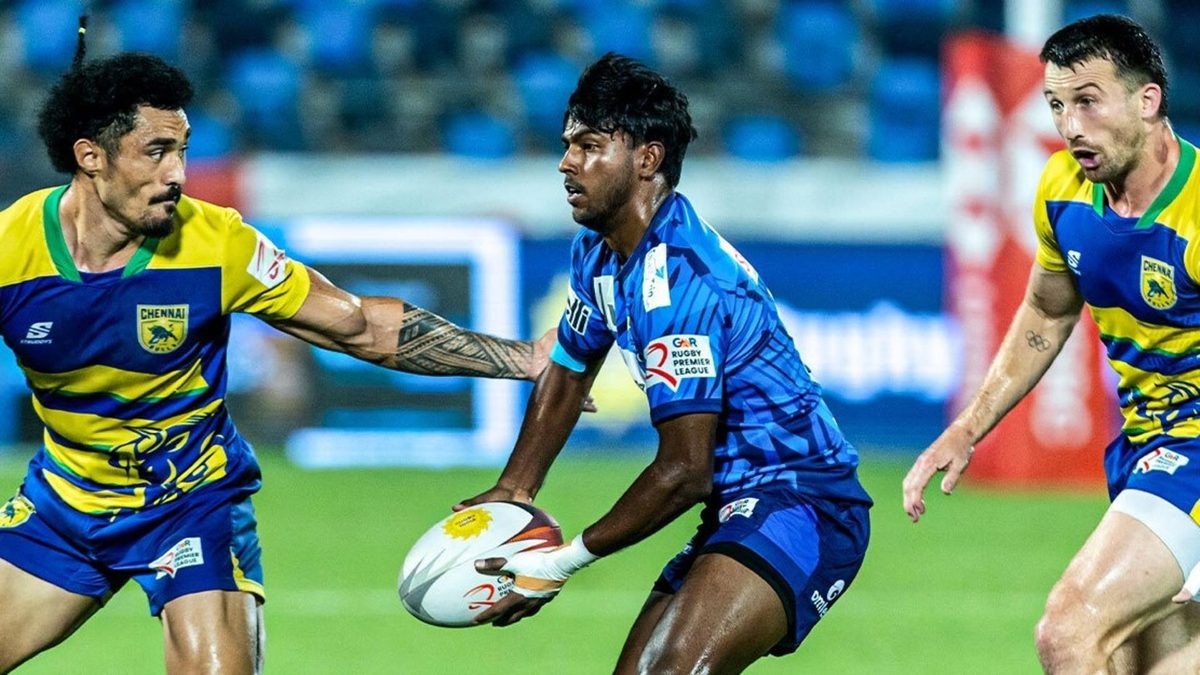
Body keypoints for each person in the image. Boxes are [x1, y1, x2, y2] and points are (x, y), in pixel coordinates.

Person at [0, 28, 557, 675]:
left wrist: (523, 359)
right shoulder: (12, 249)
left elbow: (358, 326)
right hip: (67, 502)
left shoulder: (216, 244)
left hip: (189, 505)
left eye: (181, 150)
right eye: (156, 152)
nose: (177, 173)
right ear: (90, 156)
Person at [456, 53, 872, 674]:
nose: (566, 163)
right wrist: (515, 491)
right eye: (568, 145)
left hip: (802, 500)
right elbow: (568, 369)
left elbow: (684, 470)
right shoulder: (597, 252)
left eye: (588, 146)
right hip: (734, 504)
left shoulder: (681, 281)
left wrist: (558, 563)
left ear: (647, 159)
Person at [903, 14, 1200, 672]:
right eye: (1056, 105)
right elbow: (1045, 311)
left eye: (1088, 102)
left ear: (1147, 100)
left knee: (1070, 630)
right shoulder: (1063, 190)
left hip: (1194, 451)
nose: (1070, 127)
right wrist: (970, 426)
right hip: (1143, 445)